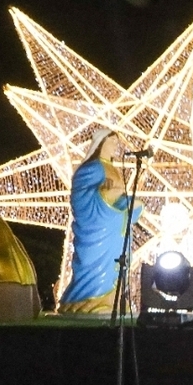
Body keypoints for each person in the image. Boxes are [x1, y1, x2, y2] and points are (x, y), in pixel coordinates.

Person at [57, 128, 142, 315]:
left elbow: (118, 197)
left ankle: (111, 299)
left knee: (117, 263)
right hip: (97, 228)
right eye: (112, 142)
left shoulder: (114, 169)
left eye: (116, 143)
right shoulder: (92, 168)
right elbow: (80, 197)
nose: (115, 146)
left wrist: (129, 204)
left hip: (115, 228)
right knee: (93, 264)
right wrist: (103, 195)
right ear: (101, 143)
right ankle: (89, 299)